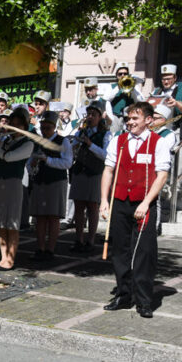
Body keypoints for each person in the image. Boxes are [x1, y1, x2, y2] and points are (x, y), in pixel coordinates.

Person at [99, 102, 171, 318]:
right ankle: (123, 294)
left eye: (134, 119)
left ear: (148, 120)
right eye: (128, 118)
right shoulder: (118, 141)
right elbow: (108, 170)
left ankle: (143, 300)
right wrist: (104, 200)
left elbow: (162, 175)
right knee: (120, 250)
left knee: (144, 252)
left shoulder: (158, 142)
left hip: (144, 203)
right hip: (120, 201)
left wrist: (146, 202)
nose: (129, 122)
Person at [0, 108, 34, 269]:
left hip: (14, 184)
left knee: (12, 223)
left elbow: (9, 157)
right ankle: (3, 256)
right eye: (12, 125)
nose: (13, 128)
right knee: (1, 223)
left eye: (17, 125)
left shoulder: (28, 143)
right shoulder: (6, 142)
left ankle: (10, 258)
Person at [27, 113, 74, 260]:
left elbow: (67, 163)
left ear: (54, 127)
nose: (45, 131)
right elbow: (29, 163)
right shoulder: (38, 142)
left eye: (48, 128)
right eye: (43, 128)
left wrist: (47, 160)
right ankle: (40, 248)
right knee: (40, 217)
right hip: (40, 181)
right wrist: (32, 165)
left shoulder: (63, 141)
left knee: (53, 217)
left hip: (56, 182)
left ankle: (50, 250)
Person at [69, 100, 110, 252]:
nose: (90, 117)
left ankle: (91, 239)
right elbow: (72, 153)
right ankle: (78, 239)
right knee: (79, 207)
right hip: (80, 171)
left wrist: (90, 144)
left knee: (93, 207)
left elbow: (105, 155)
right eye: (89, 114)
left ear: (100, 117)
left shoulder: (106, 134)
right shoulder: (80, 132)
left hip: (95, 173)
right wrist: (74, 145)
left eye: (94, 115)